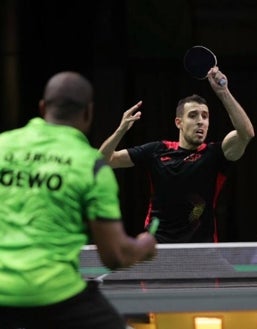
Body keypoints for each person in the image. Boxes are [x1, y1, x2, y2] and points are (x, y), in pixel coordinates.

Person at [0, 71, 156, 329]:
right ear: (88, 114)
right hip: (57, 296)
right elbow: (114, 255)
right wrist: (144, 245)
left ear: (42, 107)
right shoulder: (91, 166)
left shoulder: (3, 145)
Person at [99, 67, 255, 243]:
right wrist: (120, 130)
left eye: (205, 116)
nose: (200, 121)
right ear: (178, 122)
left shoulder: (215, 155)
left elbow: (246, 134)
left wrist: (223, 92)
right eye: (193, 115)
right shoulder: (157, 150)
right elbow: (104, 161)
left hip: (202, 251)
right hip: (158, 249)